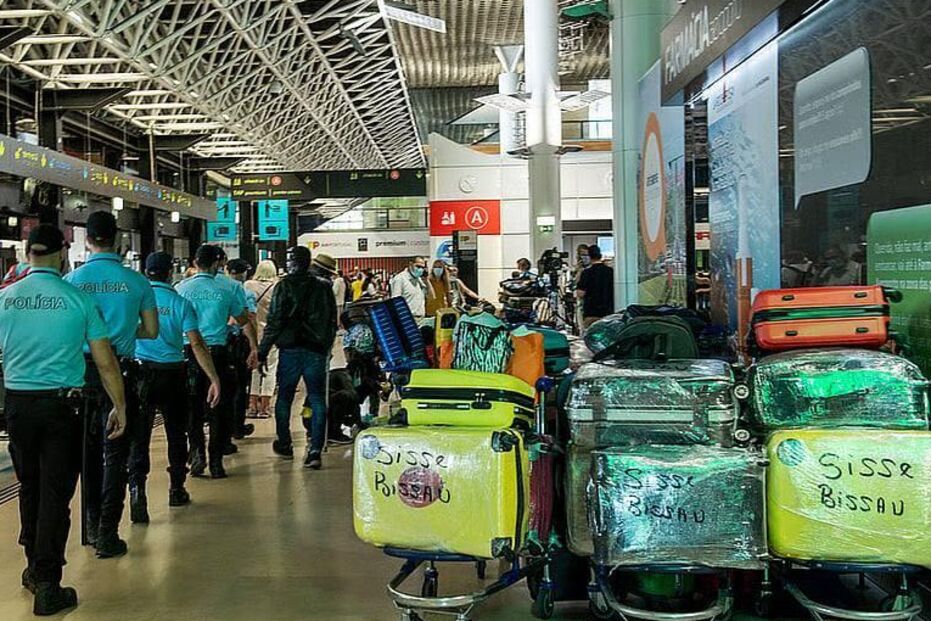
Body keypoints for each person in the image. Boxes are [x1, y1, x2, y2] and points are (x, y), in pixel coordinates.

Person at [0, 224, 127, 615]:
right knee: (56, 494)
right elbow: (105, 361)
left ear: (27, 254)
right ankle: (49, 584)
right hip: (61, 409)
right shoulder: (77, 299)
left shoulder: (5, 299)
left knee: (30, 487)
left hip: (17, 407)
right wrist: (119, 406)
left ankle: (31, 567)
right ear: (62, 253)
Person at [64, 211, 158, 559]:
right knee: (116, 452)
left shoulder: (71, 281)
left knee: (87, 453)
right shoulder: (137, 282)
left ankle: (89, 523)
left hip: (81, 376)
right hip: (122, 373)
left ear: (87, 239)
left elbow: (66, 333)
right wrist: (118, 335)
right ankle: (107, 533)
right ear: (118, 240)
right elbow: (150, 331)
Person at [134, 252, 222, 514]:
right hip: (173, 374)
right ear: (170, 272)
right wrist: (213, 377)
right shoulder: (180, 303)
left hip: (141, 374)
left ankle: (138, 493)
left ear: (146, 272)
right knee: (176, 433)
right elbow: (196, 343)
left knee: (140, 437)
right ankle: (176, 488)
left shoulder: (136, 302)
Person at [177, 245, 258, 480]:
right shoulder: (229, 287)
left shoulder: (181, 288)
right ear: (216, 264)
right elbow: (244, 321)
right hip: (219, 353)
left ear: (195, 262)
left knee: (193, 408)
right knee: (219, 408)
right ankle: (216, 461)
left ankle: (197, 454)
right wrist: (253, 347)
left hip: (189, 354)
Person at [260, 246, 337, 469]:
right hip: (316, 350)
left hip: (290, 349)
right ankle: (314, 450)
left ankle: (285, 443)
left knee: (284, 397)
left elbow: (274, 321)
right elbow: (332, 319)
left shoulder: (283, 286)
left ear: (292, 262)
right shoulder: (324, 287)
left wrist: (263, 351)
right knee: (317, 398)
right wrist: (326, 346)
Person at [225, 258, 257, 444]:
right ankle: (237, 427)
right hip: (239, 343)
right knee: (240, 385)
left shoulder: (217, 288)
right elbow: (249, 319)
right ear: (245, 273)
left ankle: (224, 427)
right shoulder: (245, 292)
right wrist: (255, 346)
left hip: (218, 341)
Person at [245, 259, 278, 419]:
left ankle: (252, 406)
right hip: (270, 334)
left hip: (251, 332)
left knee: (253, 368)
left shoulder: (248, 285)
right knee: (270, 369)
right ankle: (265, 407)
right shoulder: (277, 287)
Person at [575, 244, 614, 330]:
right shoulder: (611, 272)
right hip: (609, 312)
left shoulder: (587, 273)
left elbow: (580, 293)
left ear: (590, 256)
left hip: (591, 312)